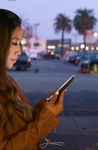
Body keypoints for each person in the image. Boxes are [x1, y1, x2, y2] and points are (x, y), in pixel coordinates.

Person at [0, 9, 66, 150]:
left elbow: (21, 122)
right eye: (14, 43)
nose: (19, 51)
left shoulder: (8, 80)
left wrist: (45, 108)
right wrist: (44, 122)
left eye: (20, 44)